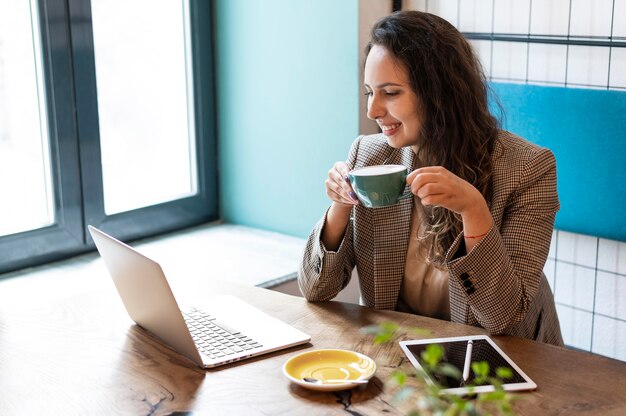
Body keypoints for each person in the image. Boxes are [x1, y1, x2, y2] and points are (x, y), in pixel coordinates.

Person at [297, 10, 563, 346]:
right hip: (400, 358)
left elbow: (504, 318)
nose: (372, 111)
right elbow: (315, 289)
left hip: (505, 364)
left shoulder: (527, 168)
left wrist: (473, 209)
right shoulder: (368, 156)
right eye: (369, 92)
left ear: (441, 93)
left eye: (390, 93)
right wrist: (339, 205)